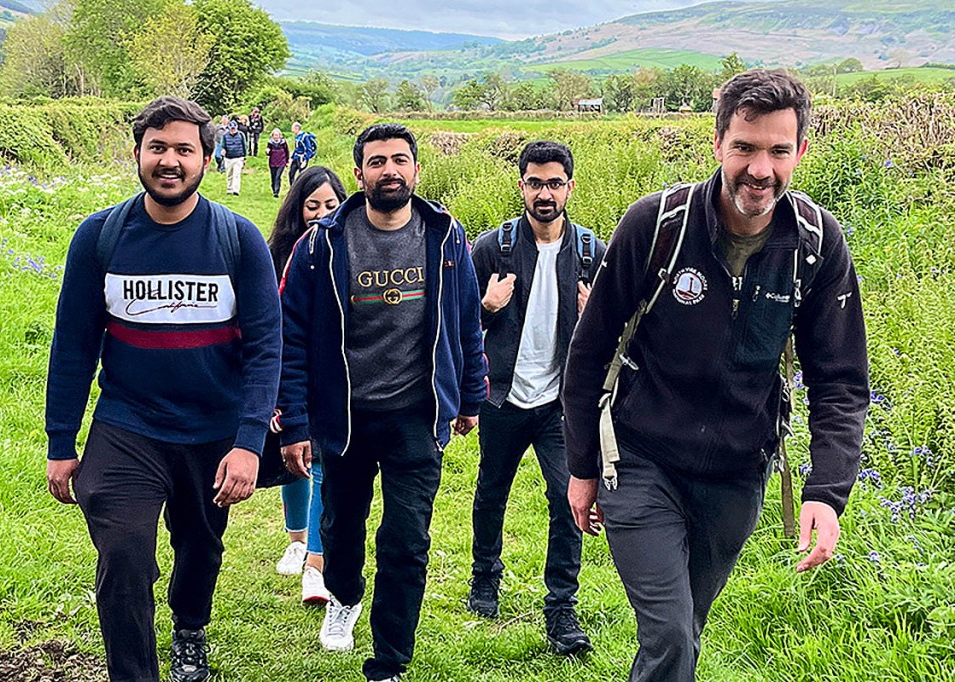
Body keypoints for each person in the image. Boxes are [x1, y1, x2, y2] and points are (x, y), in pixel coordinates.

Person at [563, 69, 869, 682]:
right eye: (745, 147)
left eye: (779, 150)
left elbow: (840, 381)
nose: (761, 169)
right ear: (717, 143)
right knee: (672, 634)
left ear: (801, 151)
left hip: (737, 475)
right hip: (640, 461)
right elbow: (588, 352)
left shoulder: (816, 244)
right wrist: (581, 469)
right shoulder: (656, 227)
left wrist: (827, 491)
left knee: (683, 634)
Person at [44, 96, 281, 682]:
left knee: (199, 549)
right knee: (123, 554)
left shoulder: (238, 239)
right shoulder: (100, 237)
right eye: (158, 148)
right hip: (129, 426)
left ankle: (190, 628)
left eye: (183, 149)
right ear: (138, 154)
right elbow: (73, 345)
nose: (169, 160)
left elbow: (265, 347)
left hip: (213, 430)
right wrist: (60, 440)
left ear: (206, 157)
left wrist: (249, 441)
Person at [278, 123, 488, 682]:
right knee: (341, 532)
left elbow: (466, 320)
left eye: (399, 159)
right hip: (345, 418)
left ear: (416, 170)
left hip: (416, 418)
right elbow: (291, 336)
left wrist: (470, 394)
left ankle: (390, 660)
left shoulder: (446, 238)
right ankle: (344, 596)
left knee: (407, 540)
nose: (389, 170)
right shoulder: (322, 244)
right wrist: (295, 420)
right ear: (359, 174)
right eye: (377, 162)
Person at [467, 140, 604, 655]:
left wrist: (596, 315)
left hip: (560, 403)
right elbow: (458, 326)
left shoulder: (592, 253)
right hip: (501, 396)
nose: (544, 192)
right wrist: (485, 305)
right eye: (534, 182)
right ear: (521, 185)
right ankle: (485, 577)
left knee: (568, 498)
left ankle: (561, 608)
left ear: (569, 186)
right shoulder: (491, 248)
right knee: (491, 490)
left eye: (553, 183)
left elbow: (620, 332)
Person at [267, 166, 347, 605]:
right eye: (312, 206)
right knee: (291, 452)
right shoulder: (277, 252)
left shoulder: (351, 246)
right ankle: (297, 538)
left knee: (322, 461)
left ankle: (315, 563)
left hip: (336, 371)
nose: (320, 214)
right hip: (289, 366)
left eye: (330, 205)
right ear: (297, 209)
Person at [222, 119, 247, 196]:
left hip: (238, 157)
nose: (233, 130)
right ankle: (229, 189)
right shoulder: (225, 135)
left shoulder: (241, 135)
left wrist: (245, 157)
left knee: (236, 174)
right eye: (231, 129)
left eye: (234, 129)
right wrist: (223, 150)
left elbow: (244, 146)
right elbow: (223, 145)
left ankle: (236, 190)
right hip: (228, 158)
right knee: (229, 174)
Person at [289, 121, 317, 185]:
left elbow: (309, 149)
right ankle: (293, 189)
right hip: (296, 158)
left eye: (293, 129)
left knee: (302, 176)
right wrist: (291, 158)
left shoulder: (305, 137)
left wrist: (305, 160)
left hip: (302, 159)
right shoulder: (296, 136)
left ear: (297, 128)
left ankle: (302, 191)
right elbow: (296, 148)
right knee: (291, 174)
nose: (292, 130)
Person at [266, 128, 290, 198]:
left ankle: (276, 191)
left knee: (278, 176)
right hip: (273, 162)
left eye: (277, 135)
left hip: (281, 161)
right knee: (273, 176)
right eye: (274, 135)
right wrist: (267, 151)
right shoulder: (270, 143)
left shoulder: (283, 142)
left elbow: (287, 151)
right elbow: (268, 153)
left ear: (280, 136)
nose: (276, 137)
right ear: (272, 136)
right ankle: (273, 188)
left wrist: (287, 161)